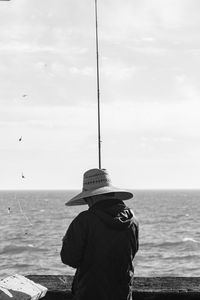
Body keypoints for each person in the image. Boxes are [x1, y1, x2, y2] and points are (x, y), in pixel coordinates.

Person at [60, 168, 139, 300]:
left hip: (89, 293)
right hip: (123, 293)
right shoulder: (132, 220)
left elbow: (69, 258)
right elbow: (132, 252)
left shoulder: (85, 220)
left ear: (90, 197)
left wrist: (67, 241)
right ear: (112, 193)